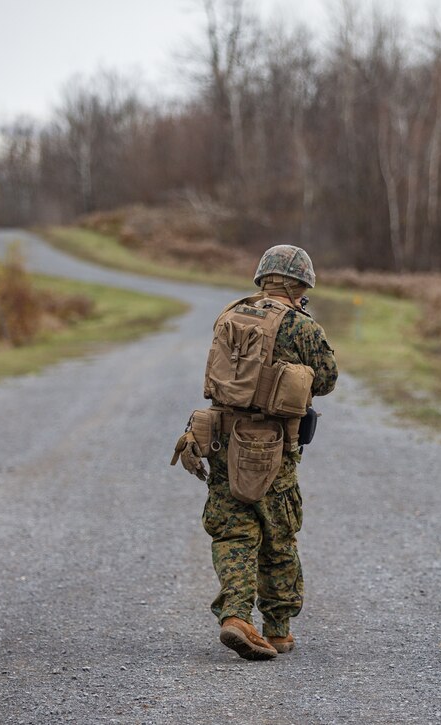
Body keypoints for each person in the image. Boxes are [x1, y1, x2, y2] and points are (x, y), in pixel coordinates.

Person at [173, 245, 338, 660]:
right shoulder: (302, 327)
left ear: (263, 278)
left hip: (222, 436)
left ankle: (235, 615)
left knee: (233, 529)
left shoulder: (230, 315)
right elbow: (328, 380)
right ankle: (278, 629)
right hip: (271, 444)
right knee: (278, 531)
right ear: (299, 284)